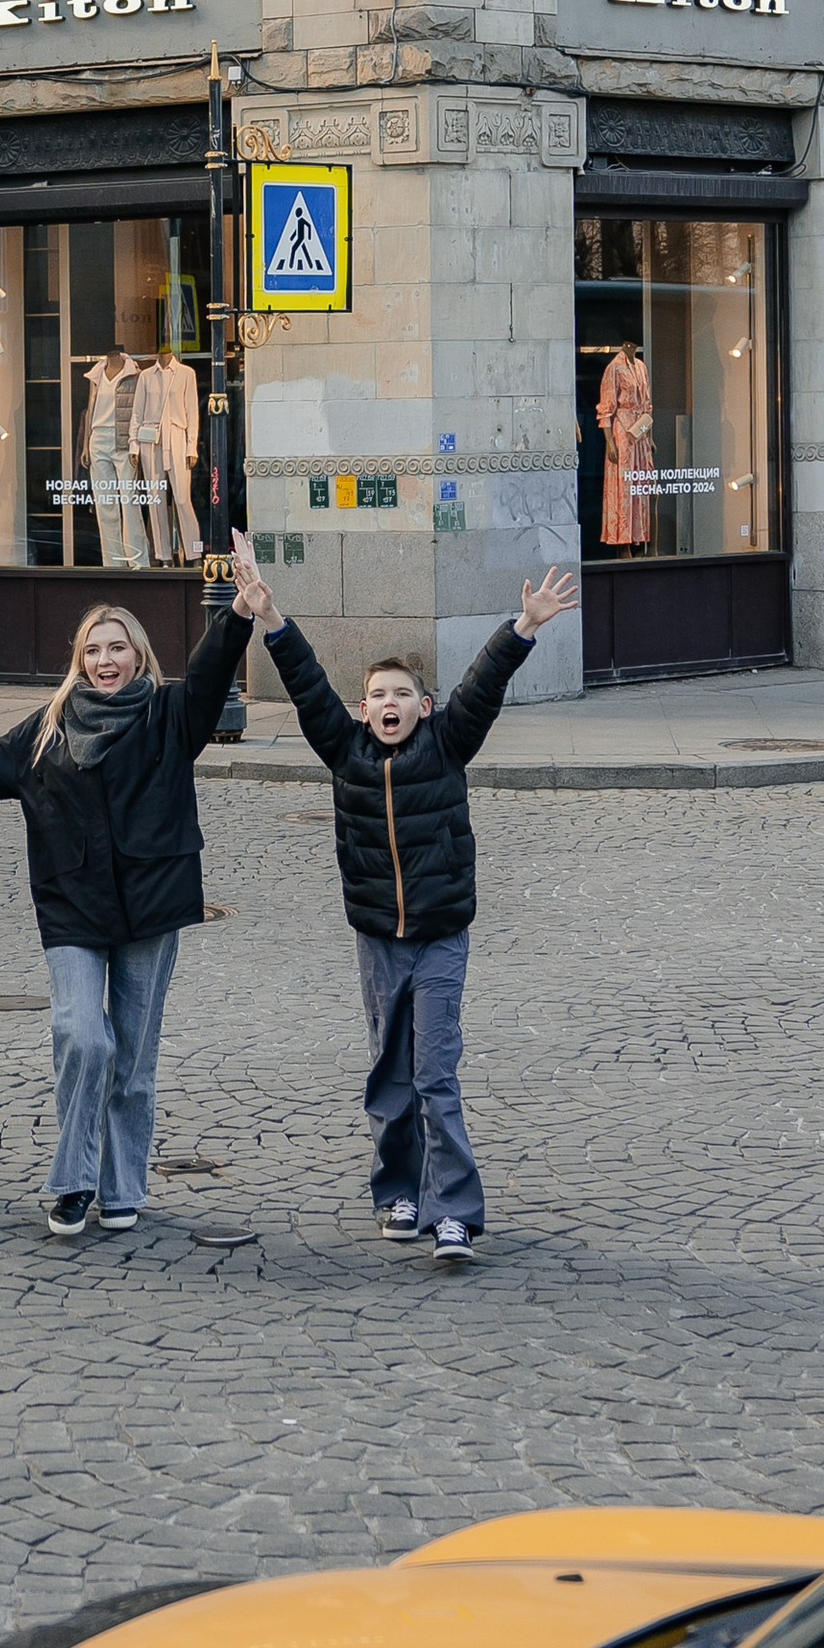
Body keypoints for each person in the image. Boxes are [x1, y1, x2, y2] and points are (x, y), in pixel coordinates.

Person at [0, 591, 250, 1241]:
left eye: (117, 646)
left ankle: (121, 1189)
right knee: (83, 1036)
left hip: (151, 907)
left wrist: (240, 614)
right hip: (74, 911)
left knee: (133, 1065)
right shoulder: (49, 727)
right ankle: (72, 1178)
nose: (105, 659)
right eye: (92, 649)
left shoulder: (171, 713)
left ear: (139, 654)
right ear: (78, 660)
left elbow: (211, 670)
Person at [230, 528, 578, 1265]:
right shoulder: (345, 749)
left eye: (402, 695)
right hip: (377, 939)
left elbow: (482, 685)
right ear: (363, 710)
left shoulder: (447, 744)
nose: (389, 704)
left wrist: (523, 627)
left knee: (434, 1073)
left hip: (442, 934)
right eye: (377, 696)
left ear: (423, 705)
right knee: (389, 1075)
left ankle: (455, 1213)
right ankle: (399, 1191)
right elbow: (305, 682)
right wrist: (269, 615)